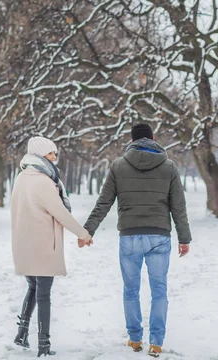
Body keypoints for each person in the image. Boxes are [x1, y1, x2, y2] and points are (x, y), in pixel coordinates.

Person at [83, 123, 192, 358]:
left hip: (130, 236)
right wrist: (184, 238)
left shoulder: (118, 166)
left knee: (130, 290)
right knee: (159, 290)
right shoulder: (169, 167)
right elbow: (178, 207)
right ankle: (155, 342)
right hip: (159, 236)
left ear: (131, 140)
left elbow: (104, 202)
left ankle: (134, 339)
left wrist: (88, 230)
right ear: (153, 138)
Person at [11, 136, 93, 357]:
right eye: (50, 153)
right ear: (39, 154)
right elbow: (61, 213)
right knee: (44, 294)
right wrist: (83, 234)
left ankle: (21, 334)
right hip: (43, 245)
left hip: (24, 245)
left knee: (33, 288)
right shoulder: (44, 181)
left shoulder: (21, 178)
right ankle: (44, 346)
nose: (54, 158)